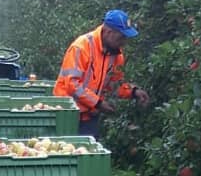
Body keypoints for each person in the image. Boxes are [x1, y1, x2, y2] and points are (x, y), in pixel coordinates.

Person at [54, 9, 150, 140]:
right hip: (66, 115)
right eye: (121, 37)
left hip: (89, 116)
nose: (123, 42)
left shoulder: (116, 55)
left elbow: (114, 86)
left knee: (86, 156)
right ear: (109, 32)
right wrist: (98, 103)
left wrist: (133, 92)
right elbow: (72, 84)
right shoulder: (81, 47)